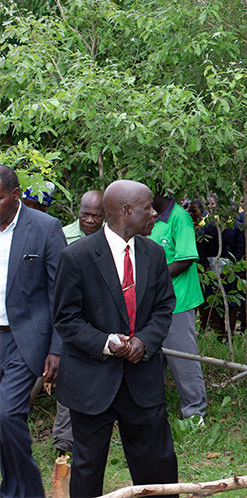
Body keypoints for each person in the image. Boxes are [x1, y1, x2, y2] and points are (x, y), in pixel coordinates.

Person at [53, 180, 178, 498]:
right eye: (148, 208)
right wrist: (107, 343)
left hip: (143, 383)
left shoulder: (154, 254)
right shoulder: (76, 257)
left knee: (158, 468)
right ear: (126, 211)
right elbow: (66, 319)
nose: (154, 213)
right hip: (90, 383)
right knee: (88, 469)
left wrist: (144, 342)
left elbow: (164, 307)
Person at [0, 165, 66, 497]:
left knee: (7, 413)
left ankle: (26, 491)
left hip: (24, 338)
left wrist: (56, 348)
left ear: (14, 196)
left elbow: (60, 294)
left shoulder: (45, 228)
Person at [54, 190, 106, 455]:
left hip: (101, 318)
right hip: (69, 315)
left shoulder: (113, 238)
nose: (90, 220)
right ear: (78, 211)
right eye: (85, 214)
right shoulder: (61, 235)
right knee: (68, 371)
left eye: (96, 216)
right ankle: (64, 438)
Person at [150, 190, 208, 421]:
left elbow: (185, 258)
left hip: (178, 301)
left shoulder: (178, 217)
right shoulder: (149, 216)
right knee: (152, 360)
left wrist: (151, 277)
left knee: (184, 361)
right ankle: (152, 413)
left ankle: (195, 414)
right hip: (153, 302)